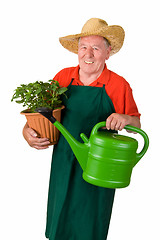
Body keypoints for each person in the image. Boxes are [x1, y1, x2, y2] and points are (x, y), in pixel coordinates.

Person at [23, 18, 141, 240]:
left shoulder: (118, 85)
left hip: (99, 165)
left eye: (96, 48)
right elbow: (43, 115)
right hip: (64, 162)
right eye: (83, 47)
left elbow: (136, 126)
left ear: (108, 53)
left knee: (91, 226)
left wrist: (124, 118)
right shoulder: (63, 78)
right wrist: (26, 131)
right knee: (59, 223)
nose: (88, 54)